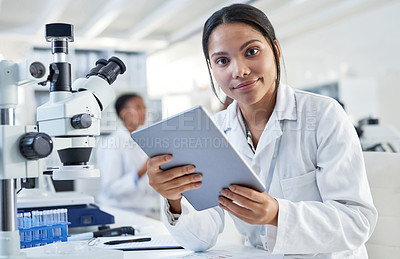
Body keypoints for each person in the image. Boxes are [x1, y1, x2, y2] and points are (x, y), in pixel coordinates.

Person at [146, 3, 377, 258]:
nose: (240, 71)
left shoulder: (323, 115)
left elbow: (357, 221)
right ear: (212, 69)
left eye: (252, 51)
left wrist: (277, 214)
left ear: (276, 51)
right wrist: (175, 199)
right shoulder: (215, 130)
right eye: (222, 61)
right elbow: (201, 239)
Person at [97, 93, 160, 218]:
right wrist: (142, 171)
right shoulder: (112, 143)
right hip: (119, 214)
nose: (144, 112)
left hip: (144, 211)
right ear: (124, 113)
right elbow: (110, 189)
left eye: (144, 107)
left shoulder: (143, 141)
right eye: (138, 107)